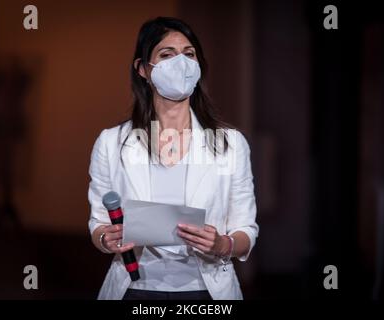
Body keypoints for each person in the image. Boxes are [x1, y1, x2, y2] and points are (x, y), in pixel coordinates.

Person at [88, 17, 258, 300]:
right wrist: (108, 239)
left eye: (189, 54)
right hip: (135, 290)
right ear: (143, 69)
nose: (181, 63)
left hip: (207, 292)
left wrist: (221, 244)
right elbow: (98, 225)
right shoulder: (111, 143)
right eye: (166, 55)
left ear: (198, 67)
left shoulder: (231, 144)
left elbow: (246, 232)